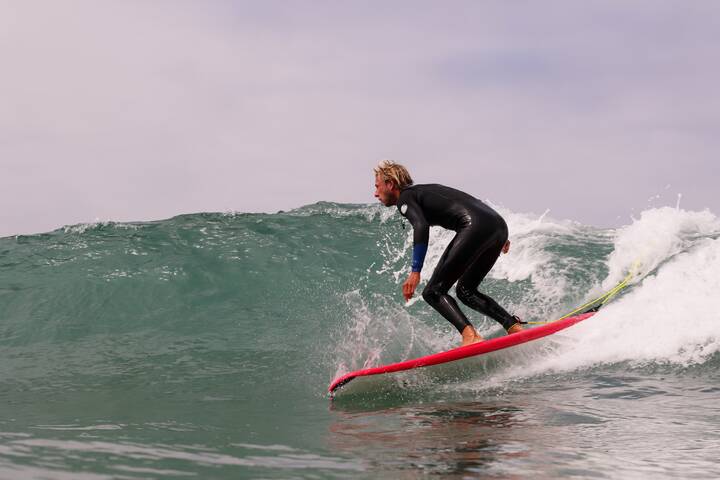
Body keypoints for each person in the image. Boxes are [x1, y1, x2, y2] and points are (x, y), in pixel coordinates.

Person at [373, 160, 523, 346]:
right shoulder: (427, 190)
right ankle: (513, 326)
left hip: (475, 226)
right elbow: (471, 201)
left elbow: (421, 225)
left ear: (390, 184)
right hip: (497, 225)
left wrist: (415, 271)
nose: (375, 193)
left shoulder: (405, 199)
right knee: (466, 291)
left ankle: (471, 336)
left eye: (377, 186)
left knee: (433, 292)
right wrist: (496, 235)